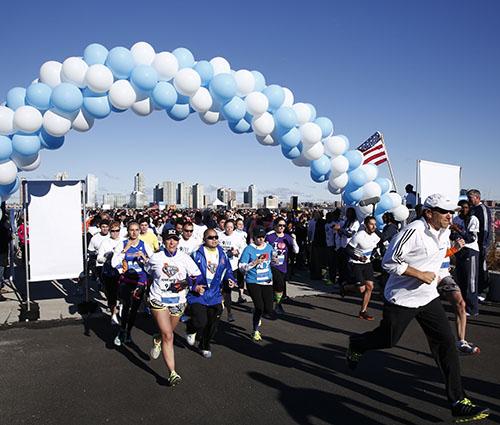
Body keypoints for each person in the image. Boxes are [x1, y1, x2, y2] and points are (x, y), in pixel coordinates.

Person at [347, 194, 489, 422]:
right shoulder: (413, 231)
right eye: (444, 211)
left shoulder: (444, 232)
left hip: (428, 298)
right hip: (402, 299)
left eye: (450, 211)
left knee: (446, 346)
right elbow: (388, 262)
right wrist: (419, 274)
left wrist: (445, 280)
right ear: (429, 213)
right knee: (388, 339)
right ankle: (357, 344)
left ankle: (458, 401)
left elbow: (436, 259)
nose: (449, 216)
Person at [146, 225, 202, 386]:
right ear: (163, 241)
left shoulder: (184, 258)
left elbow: (196, 277)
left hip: (178, 301)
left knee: (167, 332)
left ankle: (157, 338)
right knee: (169, 336)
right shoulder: (155, 258)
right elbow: (148, 273)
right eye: (169, 239)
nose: (172, 242)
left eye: (175, 239)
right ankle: (172, 372)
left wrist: (185, 283)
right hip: (158, 299)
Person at [186, 228, 237, 358]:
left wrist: (230, 279)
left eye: (216, 237)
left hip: (215, 294)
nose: (214, 240)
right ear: (204, 239)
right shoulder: (196, 254)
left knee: (212, 323)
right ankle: (191, 327)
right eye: (210, 237)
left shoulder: (223, 254)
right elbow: (187, 273)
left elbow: (228, 271)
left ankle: (205, 345)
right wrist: (194, 286)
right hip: (199, 294)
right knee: (201, 322)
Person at [111, 221, 153, 346]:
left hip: (140, 281)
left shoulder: (144, 244)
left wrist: (145, 258)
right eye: (131, 230)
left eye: (136, 230)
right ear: (128, 231)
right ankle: (122, 330)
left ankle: (128, 331)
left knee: (134, 309)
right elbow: (114, 263)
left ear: (140, 231)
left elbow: (152, 264)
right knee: (126, 306)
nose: (134, 232)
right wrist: (125, 250)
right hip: (126, 280)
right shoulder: (122, 244)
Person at [239, 226, 274, 342]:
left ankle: (257, 313)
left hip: (267, 281)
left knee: (268, 309)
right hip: (253, 281)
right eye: (258, 237)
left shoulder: (269, 247)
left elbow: (274, 260)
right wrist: (254, 262)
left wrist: (276, 259)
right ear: (254, 237)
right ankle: (255, 330)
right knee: (259, 306)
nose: (261, 239)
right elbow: (241, 268)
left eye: (263, 237)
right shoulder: (248, 249)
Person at [343, 216, 380, 320]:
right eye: (371, 224)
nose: (374, 226)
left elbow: (383, 239)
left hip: (367, 263)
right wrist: (358, 257)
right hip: (356, 263)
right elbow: (348, 250)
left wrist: (374, 254)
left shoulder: (376, 236)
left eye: (375, 224)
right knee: (361, 289)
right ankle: (346, 288)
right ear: (365, 225)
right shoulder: (359, 236)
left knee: (370, 287)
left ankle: (363, 311)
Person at [451, 200, 480, 317]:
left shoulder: (473, 219)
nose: (463, 210)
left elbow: (471, 238)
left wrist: (458, 230)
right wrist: (455, 233)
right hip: (459, 250)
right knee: (461, 279)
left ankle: (472, 308)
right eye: (461, 207)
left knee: (470, 280)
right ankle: (463, 305)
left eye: (466, 207)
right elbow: (452, 235)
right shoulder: (456, 219)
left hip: (470, 251)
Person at [265, 218, 299, 314]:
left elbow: (296, 251)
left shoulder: (287, 237)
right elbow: (263, 249)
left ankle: (277, 305)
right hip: (271, 266)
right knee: (276, 285)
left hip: (283, 266)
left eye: (284, 226)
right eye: (280, 225)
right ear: (275, 225)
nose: (282, 227)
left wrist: (294, 240)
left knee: (279, 287)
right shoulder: (270, 236)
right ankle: (275, 306)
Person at [218, 219, 247, 321]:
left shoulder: (238, 237)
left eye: (231, 227)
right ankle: (219, 308)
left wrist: (237, 252)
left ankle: (229, 312)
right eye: (227, 227)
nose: (229, 229)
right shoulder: (219, 236)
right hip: (219, 267)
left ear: (234, 227)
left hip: (232, 267)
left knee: (227, 290)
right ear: (224, 227)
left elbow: (244, 249)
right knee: (219, 290)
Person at [466, 190, 492, 302]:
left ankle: (483, 291)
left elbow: (485, 227)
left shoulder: (483, 209)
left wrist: (484, 244)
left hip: (481, 244)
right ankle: (475, 290)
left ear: (477, 197)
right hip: (473, 244)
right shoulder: (472, 209)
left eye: (470, 197)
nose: (469, 200)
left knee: (482, 267)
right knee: (474, 268)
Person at [97, 221, 123, 325]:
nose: (115, 233)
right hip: (109, 273)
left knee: (123, 293)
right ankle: (113, 314)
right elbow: (99, 258)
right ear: (109, 231)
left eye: (117, 231)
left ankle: (121, 308)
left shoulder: (124, 241)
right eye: (112, 231)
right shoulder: (105, 242)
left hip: (122, 272)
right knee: (111, 295)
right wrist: (106, 258)